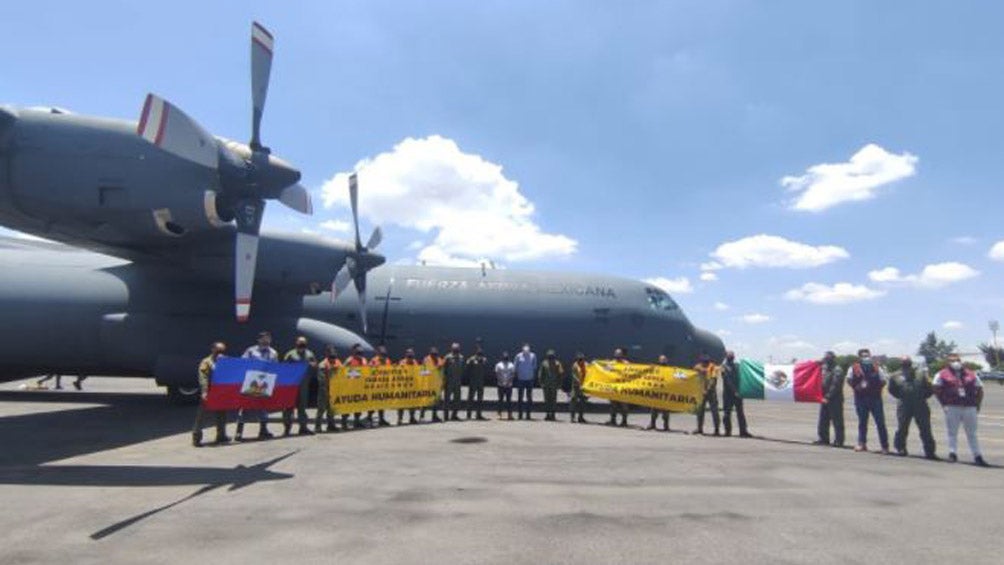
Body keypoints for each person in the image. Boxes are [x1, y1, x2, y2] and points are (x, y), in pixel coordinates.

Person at [933, 353, 988, 466]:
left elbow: (980, 389)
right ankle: (952, 453)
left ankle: (977, 455)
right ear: (947, 362)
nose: (955, 362)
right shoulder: (941, 374)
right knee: (952, 432)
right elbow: (936, 388)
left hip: (969, 407)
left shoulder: (971, 374)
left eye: (957, 360)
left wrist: (977, 404)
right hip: (952, 406)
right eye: (952, 360)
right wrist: (943, 403)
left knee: (972, 433)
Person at [888, 357, 936, 459]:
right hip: (904, 405)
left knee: (925, 428)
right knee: (902, 427)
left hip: (920, 404)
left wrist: (921, 396)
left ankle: (930, 452)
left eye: (908, 363)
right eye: (904, 364)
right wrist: (902, 396)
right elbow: (892, 390)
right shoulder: (895, 376)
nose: (906, 366)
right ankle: (900, 448)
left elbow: (929, 389)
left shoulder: (920, 374)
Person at [236, 331, 278, 441]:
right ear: (259, 340)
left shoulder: (273, 353)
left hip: (265, 382)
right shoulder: (251, 351)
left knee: (263, 406)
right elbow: (243, 362)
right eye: (264, 339)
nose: (266, 341)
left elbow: (275, 367)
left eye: (268, 339)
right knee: (245, 406)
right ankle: (239, 432)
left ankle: (263, 430)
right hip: (251, 381)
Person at [847, 348, 889, 454]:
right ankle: (862, 444)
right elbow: (849, 379)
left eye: (867, 355)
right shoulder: (854, 368)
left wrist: (875, 388)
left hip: (875, 399)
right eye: (863, 355)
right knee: (862, 422)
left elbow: (884, 380)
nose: (865, 357)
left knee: (880, 423)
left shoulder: (877, 367)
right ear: (859, 357)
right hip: (861, 399)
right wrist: (856, 387)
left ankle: (884, 446)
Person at [192, 342, 229, 447]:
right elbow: (203, 377)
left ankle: (221, 436)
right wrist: (204, 391)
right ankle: (196, 438)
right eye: (218, 351)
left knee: (222, 414)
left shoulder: (226, 361)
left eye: (222, 351)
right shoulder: (207, 362)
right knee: (202, 415)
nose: (220, 353)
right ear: (213, 349)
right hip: (210, 391)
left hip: (221, 392)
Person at [282, 336, 317, 437]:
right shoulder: (290, 354)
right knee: (289, 406)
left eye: (304, 342)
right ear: (296, 343)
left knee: (302, 406)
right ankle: (287, 428)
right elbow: (284, 366)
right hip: (292, 384)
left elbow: (315, 364)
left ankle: (303, 427)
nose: (302, 344)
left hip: (304, 384)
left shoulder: (310, 354)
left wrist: (312, 364)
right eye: (300, 342)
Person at [815, 351, 845, 447]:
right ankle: (823, 439)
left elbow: (836, 385)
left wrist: (828, 396)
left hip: (834, 399)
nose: (826, 360)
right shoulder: (825, 369)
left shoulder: (837, 370)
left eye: (828, 358)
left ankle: (839, 441)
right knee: (823, 420)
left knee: (837, 421)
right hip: (824, 398)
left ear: (833, 359)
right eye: (825, 358)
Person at [720, 351, 750, 438]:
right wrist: (735, 391)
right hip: (728, 394)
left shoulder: (737, 366)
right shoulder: (723, 367)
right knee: (727, 413)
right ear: (726, 357)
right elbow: (727, 380)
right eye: (730, 355)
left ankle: (743, 431)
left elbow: (742, 377)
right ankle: (727, 431)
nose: (731, 357)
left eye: (732, 355)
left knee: (740, 413)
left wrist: (741, 391)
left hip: (738, 393)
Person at [693, 353, 720, 436]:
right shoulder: (698, 366)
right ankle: (699, 428)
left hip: (711, 393)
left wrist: (707, 390)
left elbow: (713, 380)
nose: (705, 363)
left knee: (714, 411)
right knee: (700, 411)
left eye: (706, 362)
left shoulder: (713, 368)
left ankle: (716, 429)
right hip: (701, 392)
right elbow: (693, 372)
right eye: (703, 362)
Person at [316, 345, 341, 433]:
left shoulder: (338, 362)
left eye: (334, 356)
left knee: (332, 409)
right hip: (325, 390)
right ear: (327, 354)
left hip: (334, 390)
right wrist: (326, 389)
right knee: (321, 409)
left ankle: (331, 425)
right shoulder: (323, 364)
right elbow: (321, 379)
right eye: (331, 356)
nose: (333, 358)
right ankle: (318, 427)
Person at [344, 343, 369, 429]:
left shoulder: (364, 360)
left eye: (361, 352)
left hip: (360, 387)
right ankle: (344, 422)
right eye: (358, 352)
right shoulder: (349, 360)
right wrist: (359, 373)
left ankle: (357, 421)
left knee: (359, 406)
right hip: (350, 387)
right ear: (353, 351)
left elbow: (367, 371)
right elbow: (343, 372)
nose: (360, 354)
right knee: (347, 406)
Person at [368, 345, 393, 427]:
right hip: (375, 386)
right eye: (382, 354)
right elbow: (367, 370)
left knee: (382, 404)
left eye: (384, 354)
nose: (383, 355)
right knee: (373, 404)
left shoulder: (388, 361)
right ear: (378, 353)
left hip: (384, 386)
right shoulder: (374, 360)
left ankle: (381, 419)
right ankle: (369, 418)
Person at [538, 349, 564, 421]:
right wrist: (541, 383)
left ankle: (553, 414)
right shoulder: (544, 363)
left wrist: (559, 383)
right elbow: (540, 374)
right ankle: (547, 414)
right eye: (549, 356)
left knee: (553, 400)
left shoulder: (557, 363)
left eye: (552, 356)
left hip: (554, 385)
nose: (551, 358)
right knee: (547, 400)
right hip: (546, 384)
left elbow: (561, 373)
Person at [647, 355, 671, 431]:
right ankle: (652, 424)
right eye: (661, 360)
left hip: (665, 393)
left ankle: (666, 425)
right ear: (659, 360)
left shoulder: (670, 370)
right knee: (654, 409)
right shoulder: (656, 369)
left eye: (664, 360)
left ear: (667, 361)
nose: (663, 361)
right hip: (657, 392)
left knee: (666, 410)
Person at [465, 345, 489, 420]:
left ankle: (478, 414)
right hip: (473, 382)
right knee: (470, 399)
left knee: (480, 399)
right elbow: (467, 367)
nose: (479, 354)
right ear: (476, 353)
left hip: (480, 382)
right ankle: (468, 415)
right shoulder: (471, 359)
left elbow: (485, 367)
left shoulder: (484, 359)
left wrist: (482, 360)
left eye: (481, 353)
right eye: (478, 353)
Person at [514, 344, 538, 420]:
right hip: (521, 379)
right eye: (525, 352)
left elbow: (534, 367)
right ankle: (520, 414)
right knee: (520, 398)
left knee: (529, 398)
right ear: (522, 351)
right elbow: (515, 367)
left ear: (529, 351)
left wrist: (532, 376)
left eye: (527, 352)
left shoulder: (533, 356)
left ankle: (528, 414)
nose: (526, 353)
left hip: (529, 380)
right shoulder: (518, 356)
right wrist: (516, 376)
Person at [607, 348, 630, 427]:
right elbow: (605, 373)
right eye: (617, 355)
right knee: (613, 405)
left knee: (624, 405)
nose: (618, 356)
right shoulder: (611, 364)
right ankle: (613, 420)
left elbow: (631, 373)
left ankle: (624, 421)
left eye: (619, 355)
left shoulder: (626, 364)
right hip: (614, 387)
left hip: (623, 387)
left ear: (622, 355)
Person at [397, 348, 420, 425]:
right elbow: (398, 373)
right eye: (409, 356)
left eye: (411, 356)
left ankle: (412, 418)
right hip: (404, 386)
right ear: (406, 355)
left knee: (412, 403)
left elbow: (417, 372)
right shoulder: (402, 363)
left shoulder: (415, 362)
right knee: (401, 404)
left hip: (413, 386)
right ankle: (400, 419)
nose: (410, 358)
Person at [422, 347, 445, 423]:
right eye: (433, 354)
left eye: (435, 354)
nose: (434, 356)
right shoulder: (426, 360)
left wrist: (442, 383)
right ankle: (422, 416)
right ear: (430, 354)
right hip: (428, 384)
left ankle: (434, 416)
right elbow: (422, 372)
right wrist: (434, 369)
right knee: (425, 401)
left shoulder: (440, 360)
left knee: (436, 402)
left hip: (437, 385)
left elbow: (442, 372)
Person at [443, 343, 465, 421]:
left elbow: (463, 368)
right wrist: (445, 380)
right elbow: (444, 369)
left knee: (457, 399)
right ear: (452, 349)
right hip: (449, 381)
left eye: (457, 348)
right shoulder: (448, 357)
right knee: (447, 399)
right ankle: (446, 416)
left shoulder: (461, 358)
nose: (456, 350)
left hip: (457, 381)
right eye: (455, 349)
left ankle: (454, 415)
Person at [495, 351, 516, 420]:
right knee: (500, 400)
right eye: (504, 357)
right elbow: (497, 374)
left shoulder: (511, 365)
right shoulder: (498, 365)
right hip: (500, 385)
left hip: (509, 385)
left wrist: (508, 382)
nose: (505, 358)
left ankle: (509, 415)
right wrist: (501, 381)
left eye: (506, 357)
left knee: (509, 400)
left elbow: (513, 374)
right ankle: (499, 414)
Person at [569, 352, 589, 423]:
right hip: (576, 387)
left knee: (582, 402)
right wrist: (579, 382)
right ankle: (572, 417)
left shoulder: (586, 365)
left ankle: (581, 417)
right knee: (573, 401)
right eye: (579, 360)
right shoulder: (575, 365)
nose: (580, 361)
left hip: (583, 387)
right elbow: (574, 376)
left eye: (581, 359)